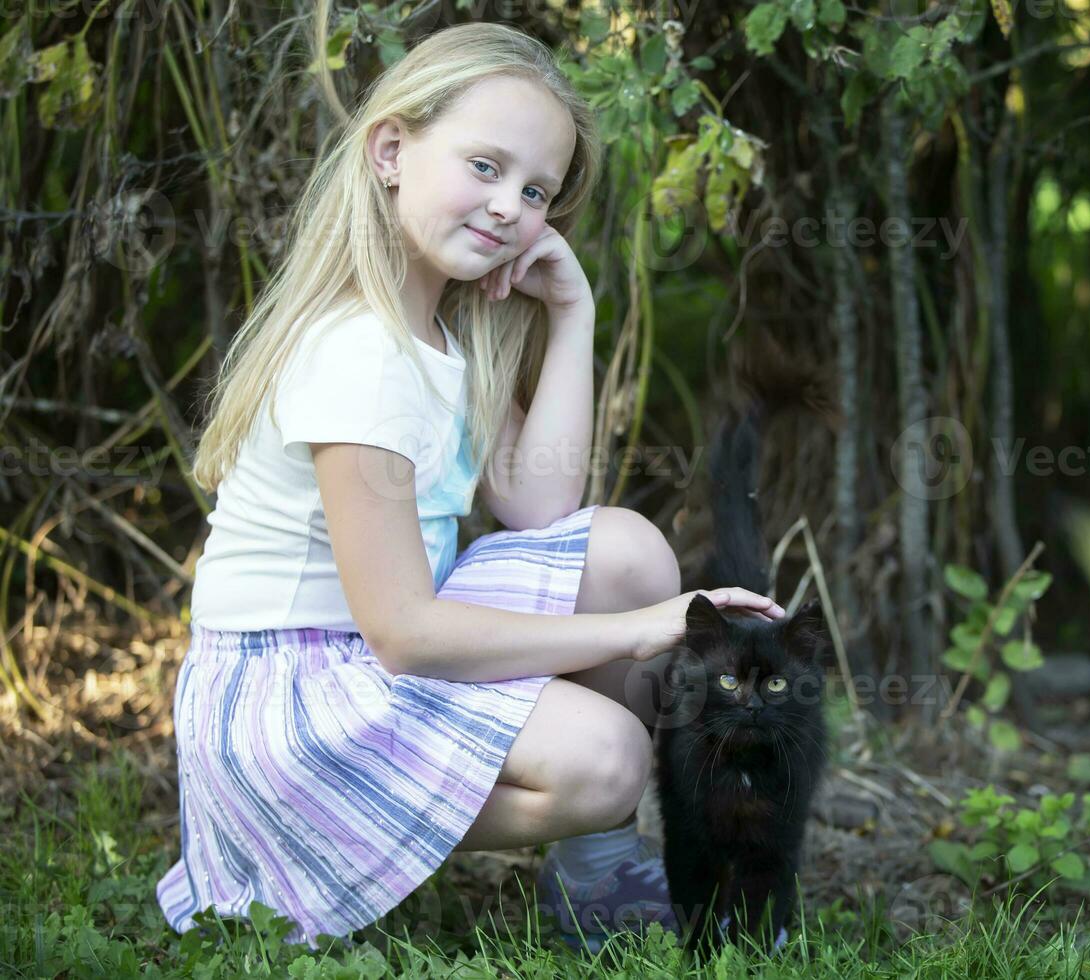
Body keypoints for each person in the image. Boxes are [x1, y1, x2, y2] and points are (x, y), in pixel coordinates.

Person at [155, 20, 784, 952]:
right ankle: (316, 843)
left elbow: (543, 512)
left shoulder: (439, 340)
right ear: (392, 149)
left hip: (362, 660)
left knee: (623, 551)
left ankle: (596, 880)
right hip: (289, 710)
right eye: (485, 166)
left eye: (535, 191)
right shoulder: (361, 355)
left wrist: (572, 314)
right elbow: (406, 633)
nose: (508, 208)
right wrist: (642, 630)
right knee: (607, 758)